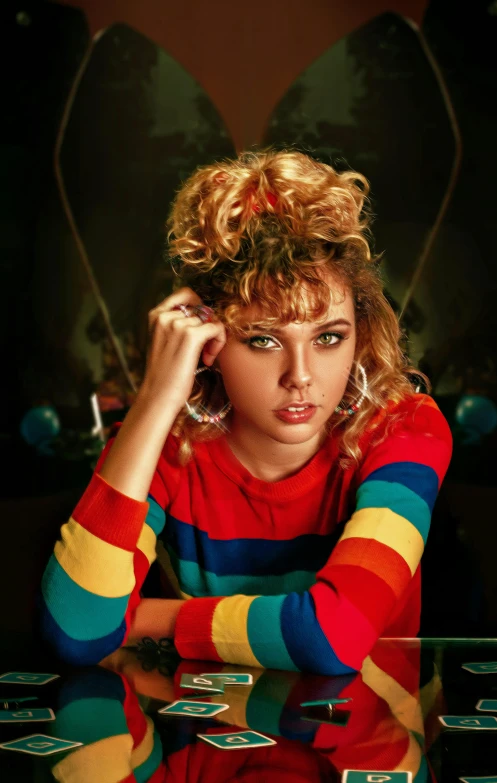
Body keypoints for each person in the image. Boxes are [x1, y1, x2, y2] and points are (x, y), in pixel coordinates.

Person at [39, 148, 452, 675]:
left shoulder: (402, 429)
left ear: (360, 333)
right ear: (208, 341)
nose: (300, 375)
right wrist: (156, 401)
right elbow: (74, 632)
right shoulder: (161, 447)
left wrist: (146, 620)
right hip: (203, 738)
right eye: (261, 340)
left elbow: (331, 635)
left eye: (328, 337)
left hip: (366, 743)